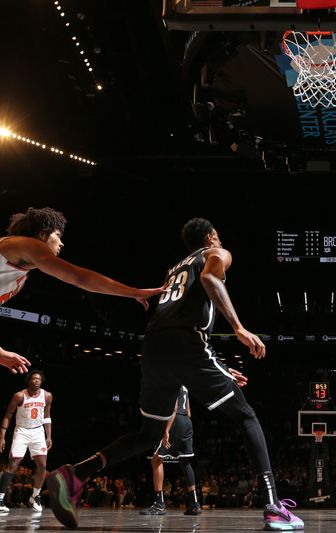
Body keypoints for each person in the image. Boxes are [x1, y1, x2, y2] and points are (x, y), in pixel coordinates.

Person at [46, 218, 303, 530]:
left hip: (154, 346)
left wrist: (215, 366)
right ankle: (273, 506)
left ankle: (77, 473)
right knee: (246, 416)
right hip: (188, 344)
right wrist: (238, 328)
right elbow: (210, 279)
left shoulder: (174, 268)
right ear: (211, 237)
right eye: (217, 236)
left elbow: (177, 324)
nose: (219, 241)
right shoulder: (217, 253)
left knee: (149, 435)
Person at [0, 207, 166, 374]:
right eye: (58, 235)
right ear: (44, 233)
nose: (62, 242)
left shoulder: (19, 275)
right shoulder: (27, 244)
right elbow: (80, 278)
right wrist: (134, 292)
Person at [140, 385, 200, 516]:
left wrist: (166, 430)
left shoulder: (172, 380)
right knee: (185, 462)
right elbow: (189, 411)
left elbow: (173, 408)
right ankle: (194, 504)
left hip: (175, 419)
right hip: (187, 421)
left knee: (156, 460)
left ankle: (159, 504)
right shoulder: (185, 385)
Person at [0, 370, 52, 512]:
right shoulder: (19, 395)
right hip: (22, 431)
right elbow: (8, 415)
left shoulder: (47, 396)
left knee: (42, 465)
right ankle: (0, 499)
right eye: (34, 378)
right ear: (29, 380)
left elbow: (47, 416)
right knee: (13, 463)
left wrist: (48, 436)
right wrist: (2, 437)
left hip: (38, 431)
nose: (36, 381)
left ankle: (35, 496)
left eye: (39, 379)